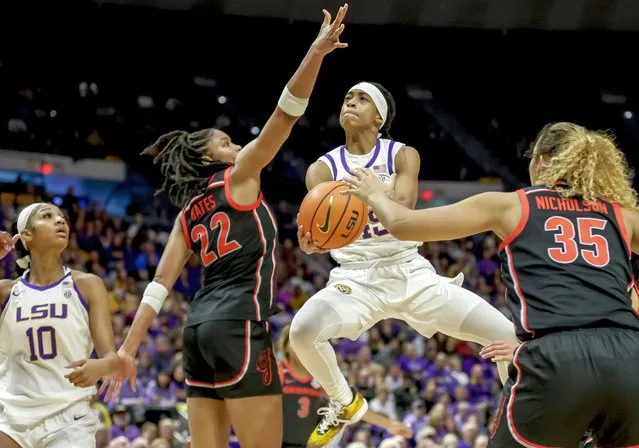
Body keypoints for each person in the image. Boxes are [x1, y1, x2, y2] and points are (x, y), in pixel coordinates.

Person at [99, 6, 349, 448]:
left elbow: (159, 285)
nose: (236, 146)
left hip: (196, 332)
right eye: (226, 142)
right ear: (209, 158)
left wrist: (128, 351)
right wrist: (314, 54)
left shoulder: (187, 212)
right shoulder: (241, 175)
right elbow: (285, 114)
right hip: (238, 325)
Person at [344, 122, 639, 447]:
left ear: (540, 162)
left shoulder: (512, 205)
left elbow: (402, 224)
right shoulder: (621, 216)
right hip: (629, 359)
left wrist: (374, 194)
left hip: (557, 359)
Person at [289, 81, 518, 447]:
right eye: (347, 97)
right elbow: (324, 228)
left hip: (409, 270)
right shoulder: (322, 169)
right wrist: (315, 243)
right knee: (301, 332)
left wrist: (373, 196)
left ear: (379, 117)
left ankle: (517, 420)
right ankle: (344, 401)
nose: (350, 101)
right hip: (355, 278)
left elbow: (404, 208)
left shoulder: (402, 155)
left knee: (508, 336)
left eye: (361, 99)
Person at [0, 203, 135, 448]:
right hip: (10, 416)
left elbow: (112, 359)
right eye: (48, 216)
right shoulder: (6, 292)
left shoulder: (87, 285)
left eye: (62, 218)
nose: (60, 221)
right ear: (26, 235)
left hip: (68, 417)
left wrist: (101, 365)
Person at [277, 324, 412, 448]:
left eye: (303, 340)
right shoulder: (278, 372)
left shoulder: (322, 375)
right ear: (285, 346)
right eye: (293, 340)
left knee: (341, 414)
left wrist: (388, 424)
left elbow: (352, 406)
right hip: (278, 439)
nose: (299, 344)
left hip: (309, 442)